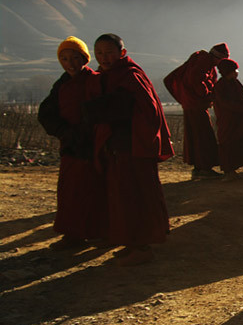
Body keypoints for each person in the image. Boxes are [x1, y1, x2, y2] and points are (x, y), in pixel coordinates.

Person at [85, 33, 173, 266]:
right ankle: (130, 241)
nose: (104, 57)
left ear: (122, 53)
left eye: (109, 52)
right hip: (119, 146)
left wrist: (91, 109)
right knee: (122, 196)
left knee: (136, 195)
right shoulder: (110, 76)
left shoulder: (131, 76)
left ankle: (141, 246)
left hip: (133, 146)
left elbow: (134, 109)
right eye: (100, 53)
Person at [38, 37, 107, 248]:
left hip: (93, 143)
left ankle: (99, 232)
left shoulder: (95, 80)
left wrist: (86, 132)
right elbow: (46, 113)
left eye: (76, 58)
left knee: (96, 190)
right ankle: (73, 235)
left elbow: (101, 110)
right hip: (70, 144)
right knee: (70, 191)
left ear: (85, 59)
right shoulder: (62, 84)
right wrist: (64, 132)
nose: (70, 63)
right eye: (65, 58)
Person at [163, 43, 229, 179]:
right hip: (196, 104)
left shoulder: (201, 60)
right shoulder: (204, 61)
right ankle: (204, 168)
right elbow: (195, 79)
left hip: (191, 104)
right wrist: (206, 95)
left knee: (196, 135)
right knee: (203, 136)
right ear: (217, 57)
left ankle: (198, 168)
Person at [211, 58, 243, 181]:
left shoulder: (236, 83)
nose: (236, 73)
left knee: (242, 142)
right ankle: (229, 171)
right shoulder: (220, 86)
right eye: (234, 71)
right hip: (228, 121)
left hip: (239, 120)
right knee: (228, 144)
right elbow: (225, 103)